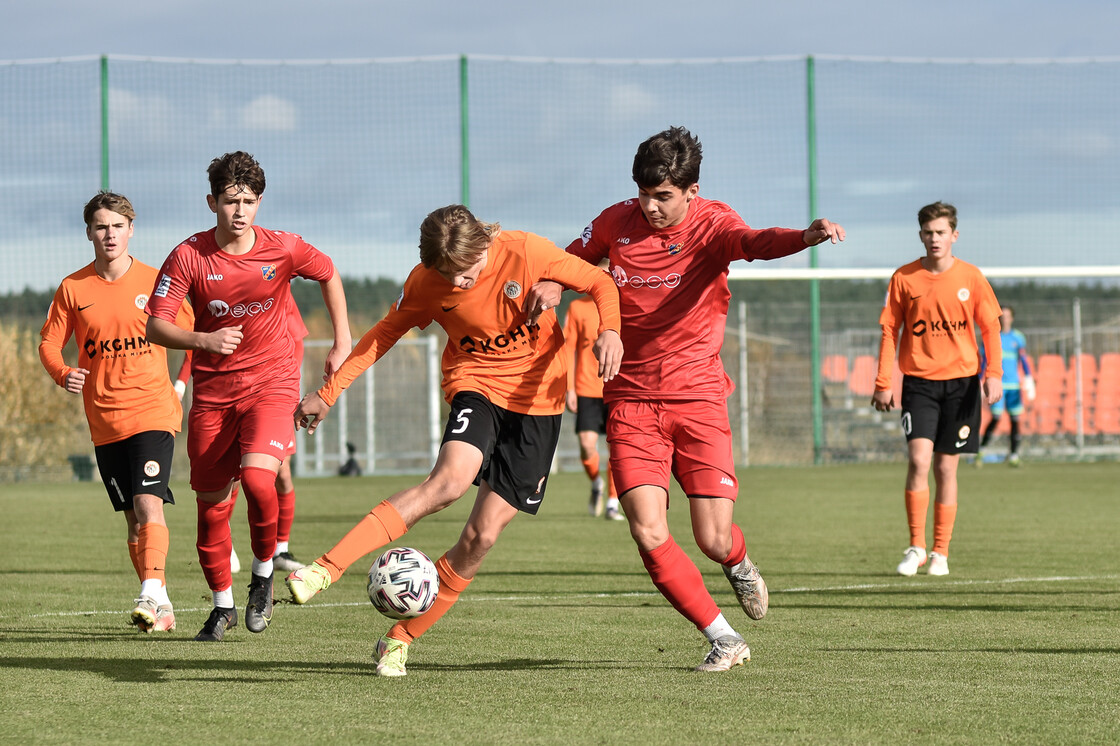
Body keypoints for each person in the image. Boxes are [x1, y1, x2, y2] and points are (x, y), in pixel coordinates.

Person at [528, 126, 845, 672]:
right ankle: (722, 638)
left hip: (697, 397)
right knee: (647, 529)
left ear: (691, 191)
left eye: (663, 197)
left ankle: (739, 563)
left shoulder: (713, 223)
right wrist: (556, 283)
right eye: (644, 194)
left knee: (712, 538)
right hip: (629, 399)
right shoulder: (614, 220)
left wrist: (804, 236)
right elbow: (567, 259)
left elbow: (755, 243)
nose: (650, 207)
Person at [285, 204, 622, 677]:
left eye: (468, 271)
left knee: (480, 536)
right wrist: (328, 392)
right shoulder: (426, 282)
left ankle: (399, 640)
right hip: (476, 383)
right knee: (448, 482)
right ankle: (324, 568)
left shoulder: (526, 250)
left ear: (485, 244)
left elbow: (601, 282)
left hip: (539, 404)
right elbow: (383, 335)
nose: (460, 283)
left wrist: (611, 330)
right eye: (449, 275)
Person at [145, 151, 351, 641]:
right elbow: (155, 325)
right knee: (211, 507)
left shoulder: (283, 248)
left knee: (261, 481)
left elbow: (328, 273)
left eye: (249, 201)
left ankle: (263, 576)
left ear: (260, 202)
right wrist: (202, 341)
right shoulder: (189, 256)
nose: (240, 210)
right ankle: (222, 608)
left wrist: (343, 341)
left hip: (273, 383)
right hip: (214, 394)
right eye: (231, 200)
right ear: (212, 201)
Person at [39, 191, 194, 633]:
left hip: (153, 411)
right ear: (89, 232)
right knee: (132, 522)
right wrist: (61, 371)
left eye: (118, 226)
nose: (110, 234)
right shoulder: (73, 288)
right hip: (105, 422)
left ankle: (149, 590)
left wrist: (182, 383)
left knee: (149, 505)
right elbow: (49, 343)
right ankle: (161, 605)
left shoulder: (157, 282)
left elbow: (192, 335)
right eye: (101, 226)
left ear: (131, 229)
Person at [872, 201, 1003, 578]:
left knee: (946, 468)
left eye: (941, 232)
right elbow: (888, 330)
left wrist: (993, 372)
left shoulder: (972, 278)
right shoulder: (904, 278)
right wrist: (883, 382)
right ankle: (916, 547)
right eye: (928, 233)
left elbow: (990, 327)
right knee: (919, 460)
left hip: (962, 385)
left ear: (954, 236)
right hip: (919, 383)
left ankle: (941, 552)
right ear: (921, 236)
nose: (935, 239)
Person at [173, 293, 309, 574]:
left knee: (280, 473)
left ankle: (279, 551)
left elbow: (296, 341)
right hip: (227, 397)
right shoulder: (224, 295)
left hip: (273, 394)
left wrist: (286, 388)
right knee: (234, 477)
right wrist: (181, 382)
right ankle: (227, 542)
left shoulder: (279, 293)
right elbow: (199, 343)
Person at [562, 261, 623, 520]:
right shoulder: (578, 307)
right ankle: (596, 482)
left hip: (617, 388)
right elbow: (568, 348)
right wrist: (569, 389)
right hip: (587, 388)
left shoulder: (623, 306)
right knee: (587, 446)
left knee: (617, 449)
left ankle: (612, 501)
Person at [978, 305, 1034, 467]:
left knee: (1015, 420)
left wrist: (1028, 377)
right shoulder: (991, 336)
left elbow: (1023, 360)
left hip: (1014, 386)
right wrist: (981, 381)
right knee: (995, 418)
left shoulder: (1018, 338)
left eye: (1008, 316)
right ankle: (981, 450)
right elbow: (983, 361)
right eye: (1002, 316)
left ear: (1012, 318)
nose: (1005, 319)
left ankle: (1014, 454)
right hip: (997, 384)